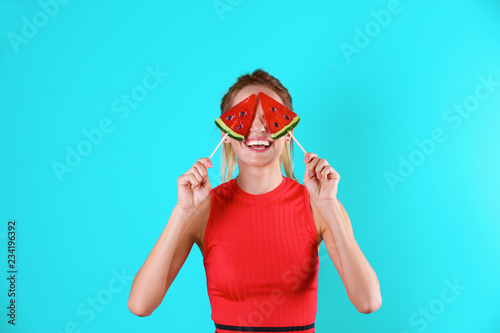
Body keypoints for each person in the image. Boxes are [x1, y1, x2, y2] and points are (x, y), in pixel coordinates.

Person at [128, 69, 382, 332]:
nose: (259, 128)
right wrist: (181, 211)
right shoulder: (203, 208)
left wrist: (329, 206)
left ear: (288, 131)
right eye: (244, 118)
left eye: (271, 118)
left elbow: (368, 301)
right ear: (227, 133)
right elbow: (140, 305)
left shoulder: (319, 205)